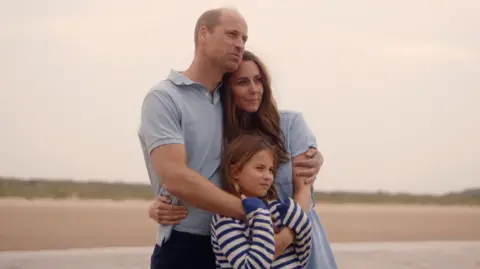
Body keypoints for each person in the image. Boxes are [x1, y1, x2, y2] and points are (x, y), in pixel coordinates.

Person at [138, 7, 323, 269]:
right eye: (232, 35)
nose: (239, 44)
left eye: (244, 39)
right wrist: (250, 212)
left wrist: (315, 155)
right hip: (187, 243)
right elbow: (175, 177)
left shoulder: (229, 106)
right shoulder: (165, 98)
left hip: (236, 244)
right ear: (204, 34)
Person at [211, 134, 312, 268]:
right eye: (260, 168)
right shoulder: (225, 219)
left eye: (271, 170)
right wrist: (261, 217)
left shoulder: (277, 209)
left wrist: (299, 220)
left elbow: (302, 258)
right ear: (235, 172)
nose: (268, 177)